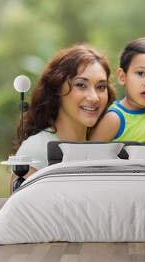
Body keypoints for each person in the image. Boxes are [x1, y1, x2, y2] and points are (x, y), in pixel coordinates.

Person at [13, 45, 116, 179]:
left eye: (101, 87)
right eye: (81, 85)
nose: (94, 97)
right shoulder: (36, 150)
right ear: (57, 89)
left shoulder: (103, 148)